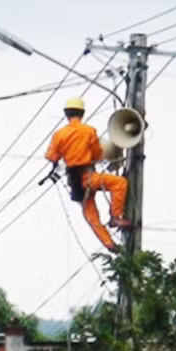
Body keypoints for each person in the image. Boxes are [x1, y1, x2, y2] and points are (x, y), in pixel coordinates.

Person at [45, 97, 130, 253]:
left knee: (91, 215)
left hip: (75, 183)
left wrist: (66, 155)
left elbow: (51, 156)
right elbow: (97, 154)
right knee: (120, 183)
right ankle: (116, 216)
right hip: (89, 177)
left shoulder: (59, 134)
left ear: (66, 114)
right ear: (82, 113)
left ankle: (109, 243)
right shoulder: (89, 131)